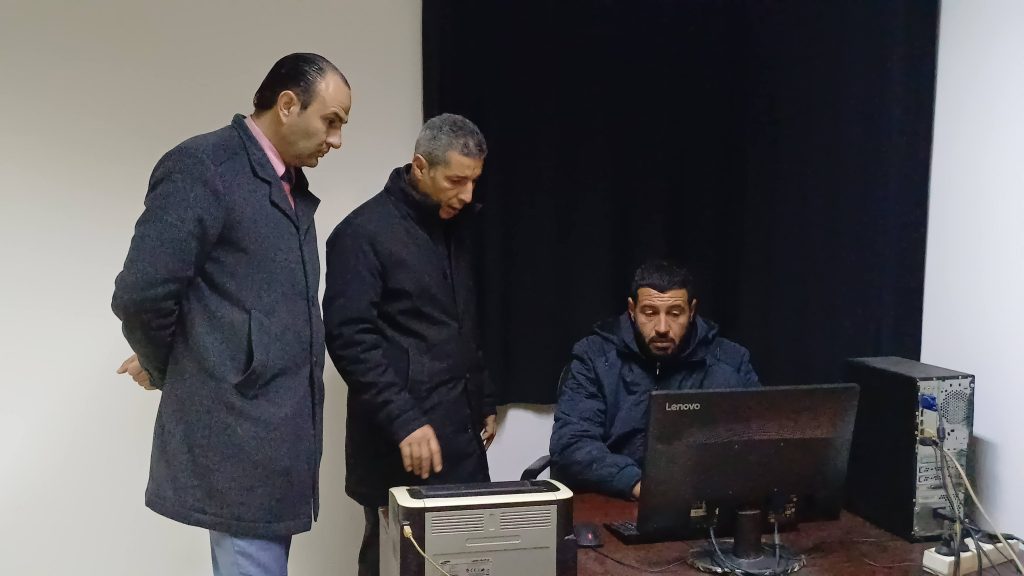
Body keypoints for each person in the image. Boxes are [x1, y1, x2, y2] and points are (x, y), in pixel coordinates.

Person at [111, 53, 352, 576]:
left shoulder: (288, 184)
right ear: (287, 105)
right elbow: (142, 292)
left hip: (276, 438)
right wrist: (165, 366)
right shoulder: (205, 166)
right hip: (242, 437)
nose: (336, 140)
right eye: (331, 121)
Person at [323, 113, 496, 576]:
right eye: (456, 180)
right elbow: (349, 338)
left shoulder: (455, 226)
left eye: (474, 181)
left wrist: (483, 397)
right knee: (393, 565)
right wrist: (405, 421)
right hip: (400, 442)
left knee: (467, 563)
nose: (467, 195)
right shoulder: (361, 234)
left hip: (460, 437)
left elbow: (460, 323)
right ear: (420, 166)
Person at [549, 260, 761, 500]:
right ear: (632, 310)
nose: (662, 327)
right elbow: (571, 444)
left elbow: (759, 442)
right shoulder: (594, 357)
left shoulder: (731, 361)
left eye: (675, 313)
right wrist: (636, 483)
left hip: (704, 501)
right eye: (649, 313)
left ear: (691, 311)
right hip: (614, 497)